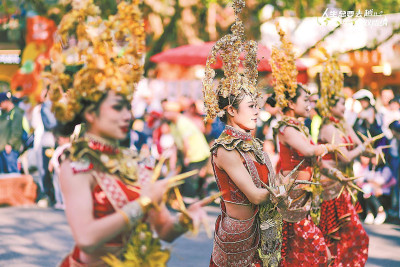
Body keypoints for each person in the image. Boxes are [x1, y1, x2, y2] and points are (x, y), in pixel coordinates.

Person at [47, 1, 207, 265]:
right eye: (117, 108)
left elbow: (163, 231)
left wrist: (185, 219)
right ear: (90, 113)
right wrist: (143, 202)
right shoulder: (77, 165)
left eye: (128, 107)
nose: (127, 115)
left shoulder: (138, 162)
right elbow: (86, 238)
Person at [203, 2, 290, 266]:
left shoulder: (252, 144)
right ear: (230, 109)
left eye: (257, 105)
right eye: (251, 106)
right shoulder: (225, 149)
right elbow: (255, 195)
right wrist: (282, 190)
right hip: (239, 235)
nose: (257, 111)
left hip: (261, 230)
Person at [266, 25, 343, 266]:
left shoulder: (299, 126)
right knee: (318, 252)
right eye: (305, 101)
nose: (310, 105)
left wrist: (331, 170)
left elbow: (312, 158)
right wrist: (330, 147)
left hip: (305, 195)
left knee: (303, 252)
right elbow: (309, 151)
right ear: (291, 103)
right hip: (292, 197)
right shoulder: (286, 129)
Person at [316, 49, 370, 266]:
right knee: (341, 235)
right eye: (340, 105)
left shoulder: (340, 124)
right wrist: (363, 148)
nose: (344, 107)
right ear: (330, 107)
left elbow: (358, 144)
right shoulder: (328, 128)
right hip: (331, 184)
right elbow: (348, 156)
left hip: (343, 184)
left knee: (351, 235)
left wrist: (363, 144)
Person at [0, 91, 24, 173]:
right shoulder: (3, 114)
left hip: (10, 150)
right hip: (2, 149)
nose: (0, 105)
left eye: (1, 102)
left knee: (13, 174)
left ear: (6, 101)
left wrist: (10, 144)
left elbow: (16, 132)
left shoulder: (16, 113)